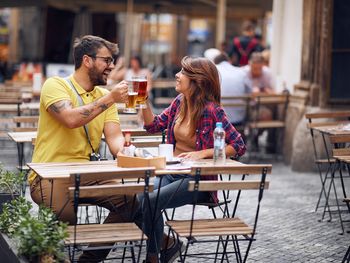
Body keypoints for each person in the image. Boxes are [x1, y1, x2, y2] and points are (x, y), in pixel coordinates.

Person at [29, 35, 135, 262]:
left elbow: (114, 137)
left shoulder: (105, 95)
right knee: (66, 219)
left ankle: (88, 259)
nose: (112, 66)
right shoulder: (55, 85)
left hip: (87, 173)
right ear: (87, 60)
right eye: (107, 60)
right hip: (48, 173)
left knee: (132, 201)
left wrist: (123, 150)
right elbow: (70, 118)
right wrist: (111, 99)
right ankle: (47, 255)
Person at [139, 56, 246, 263]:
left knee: (151, 201)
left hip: (198, 180)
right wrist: (143, 99)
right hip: (171, 173)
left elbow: (238, 145)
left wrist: (203, 153)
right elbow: (153, 125)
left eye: (182, 72)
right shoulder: (179, 103)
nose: (177, 75)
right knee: (139, 199)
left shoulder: (212, 110)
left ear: (197, 81)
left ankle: (152, 257)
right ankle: (169, 244)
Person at [204, 48, 252, 129]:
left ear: (215, 62)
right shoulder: (241, 72)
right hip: (238, 119)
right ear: (229, 61)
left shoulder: (212, 72)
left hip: (216, 120)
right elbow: (250, 93)